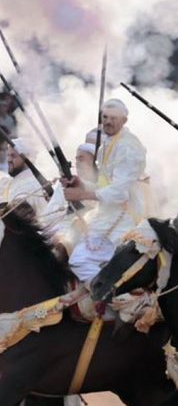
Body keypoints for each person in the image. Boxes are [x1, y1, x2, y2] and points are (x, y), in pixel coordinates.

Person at [64, 99, 148, 283]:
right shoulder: (106, 146)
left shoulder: (128, 146)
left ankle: (109, 298)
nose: (108, 122)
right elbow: (104, 187)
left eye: (114, 118)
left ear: (124, 120)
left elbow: (119, 192)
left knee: (80, 261)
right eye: (105, 117)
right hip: (107, 214)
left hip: (125, 216)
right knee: (77, 257)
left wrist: (82, 195)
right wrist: (82, 185)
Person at [0, 138, 47, 218]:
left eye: (13, 156)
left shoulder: (33, 184)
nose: (9, 159)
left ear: (27, 159)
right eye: (8, 155)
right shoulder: (6, 181)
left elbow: (14, 214)